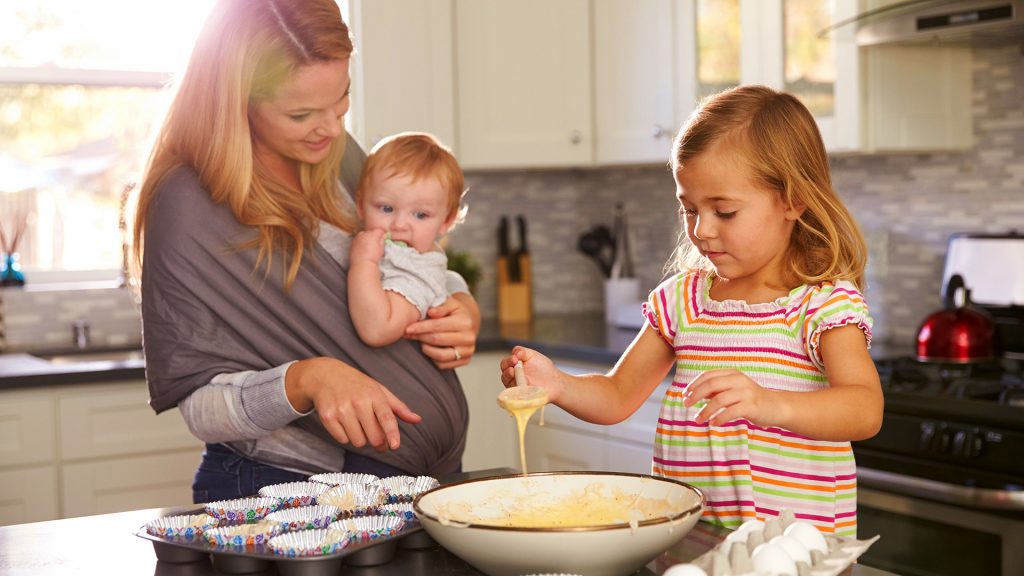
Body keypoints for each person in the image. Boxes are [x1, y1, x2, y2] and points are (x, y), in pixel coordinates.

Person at [132, 0, 480, 504]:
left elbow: (412, 256)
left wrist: (459, 305)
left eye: (341, 102)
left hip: (412, 483)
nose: (333, 128)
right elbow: (199, 406)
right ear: (237, 100)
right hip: (284, 490)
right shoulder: (189, 205)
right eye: (302, 113)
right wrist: (305, 380)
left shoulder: (333, 156)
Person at [500, 85, 883, 537]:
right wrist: (557, 383)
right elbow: (618, 394)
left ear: (793, 200)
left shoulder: (820, 304)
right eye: (689, 209)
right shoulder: (683, 300)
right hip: (693, 540)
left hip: (798, 553)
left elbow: (864, 409)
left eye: (725, 211)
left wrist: (767, 403)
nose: (702, 230)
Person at [349, 132, 468, 347]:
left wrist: (363, 263)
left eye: (420, 215)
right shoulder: (386, 250)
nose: (399, 225)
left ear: (446, 220)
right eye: (386, 208)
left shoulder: (419, 271)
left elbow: (377, 329)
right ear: (360, 205)